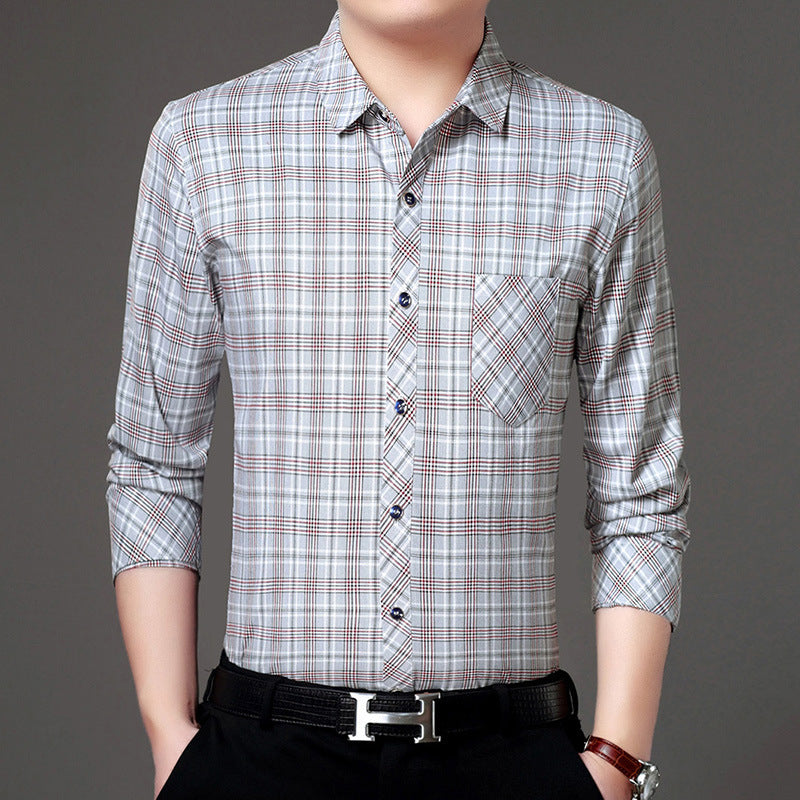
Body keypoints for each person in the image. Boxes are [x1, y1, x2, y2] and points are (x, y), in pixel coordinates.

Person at [105, 2, 691, 799]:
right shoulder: (203, 143)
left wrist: (615, 763)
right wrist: (171, 739)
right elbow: (153, 461)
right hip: (260, 756)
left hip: (508, 758)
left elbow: (640, 489)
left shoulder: (603, 156)